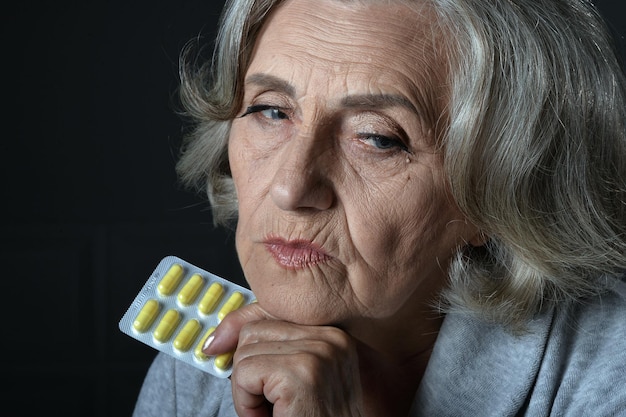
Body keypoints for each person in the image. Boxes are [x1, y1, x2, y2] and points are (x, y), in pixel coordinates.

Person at [132, 0, 626, 415]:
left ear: (501, 193)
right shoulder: (199, 369)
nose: (291, 187)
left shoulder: (609, 370)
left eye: (377, 138)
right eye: (271, 111)